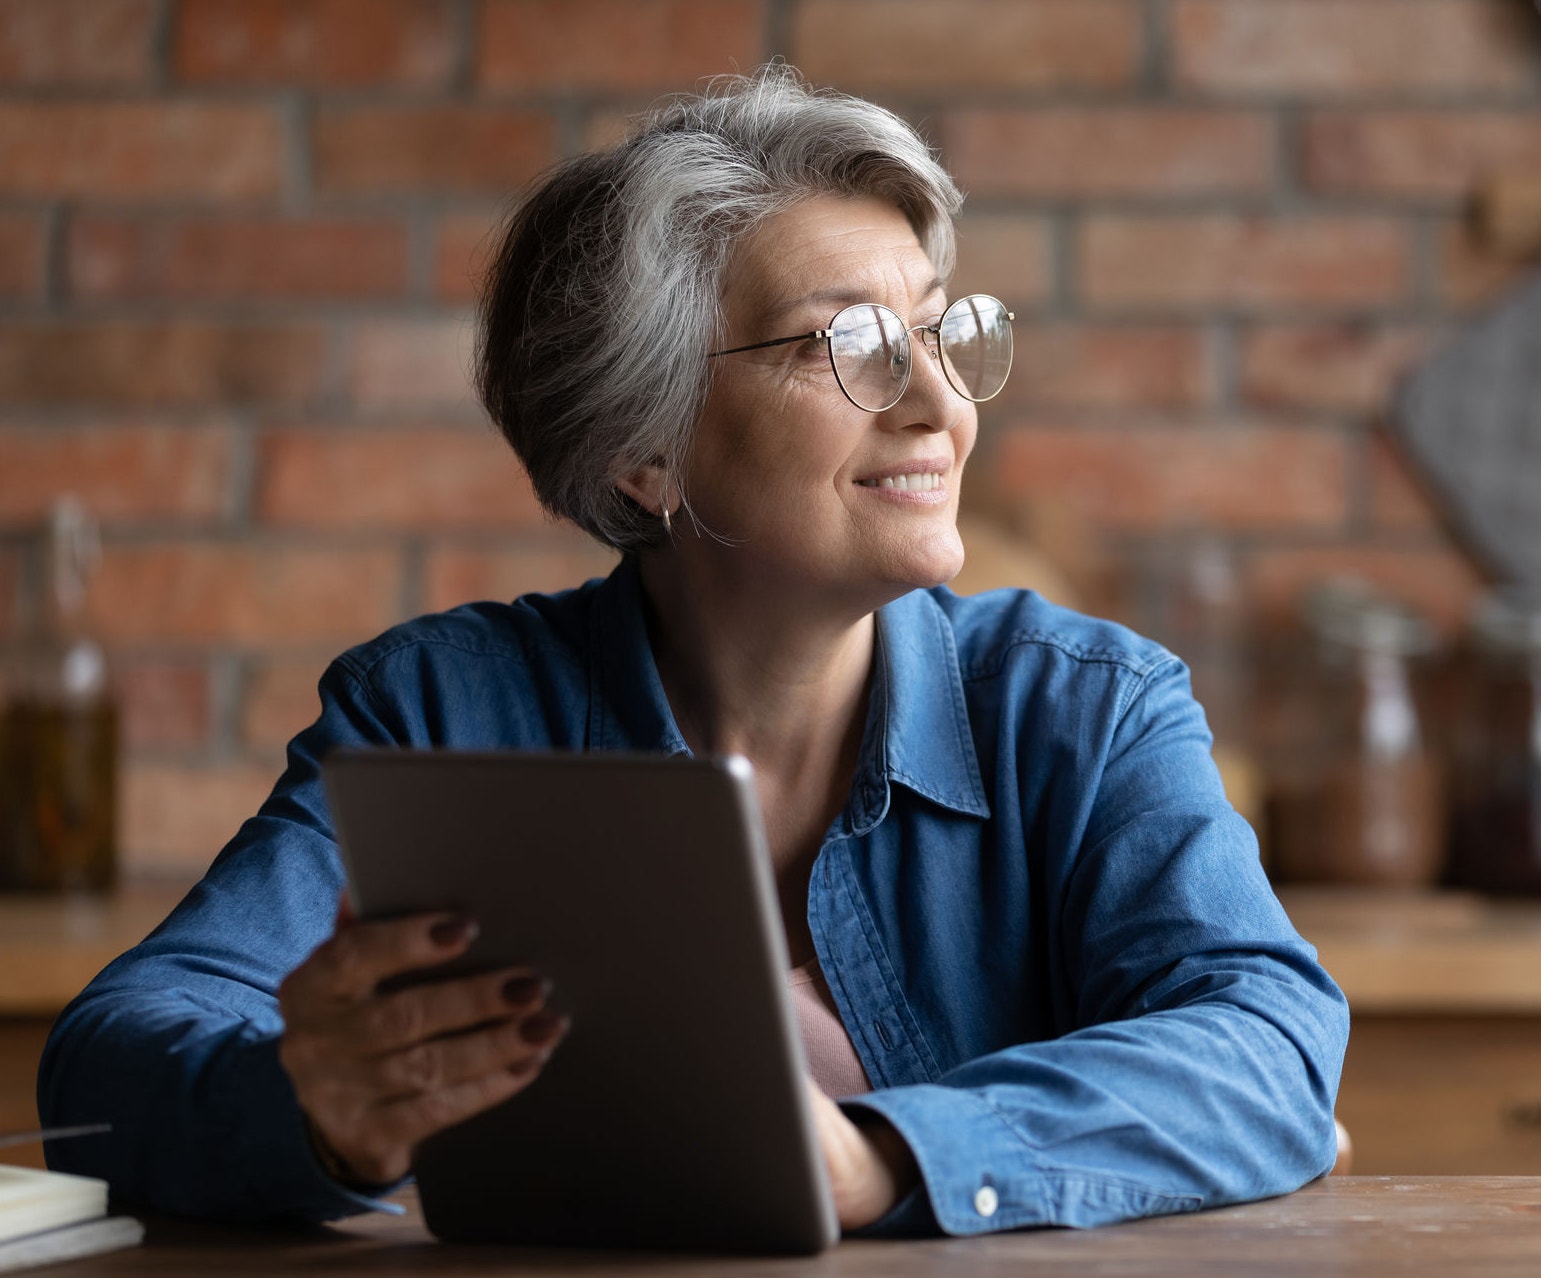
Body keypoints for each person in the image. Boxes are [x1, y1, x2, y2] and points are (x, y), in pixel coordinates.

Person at [39, 65, 1347, 1237]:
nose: (940, 406)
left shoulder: (1085, 707)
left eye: (940, 332)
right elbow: (107, 1064)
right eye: (850, 346)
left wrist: (884, 1155)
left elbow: (1269, 1041)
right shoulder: (437, 707)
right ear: (644, 448)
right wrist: (319, 1111)